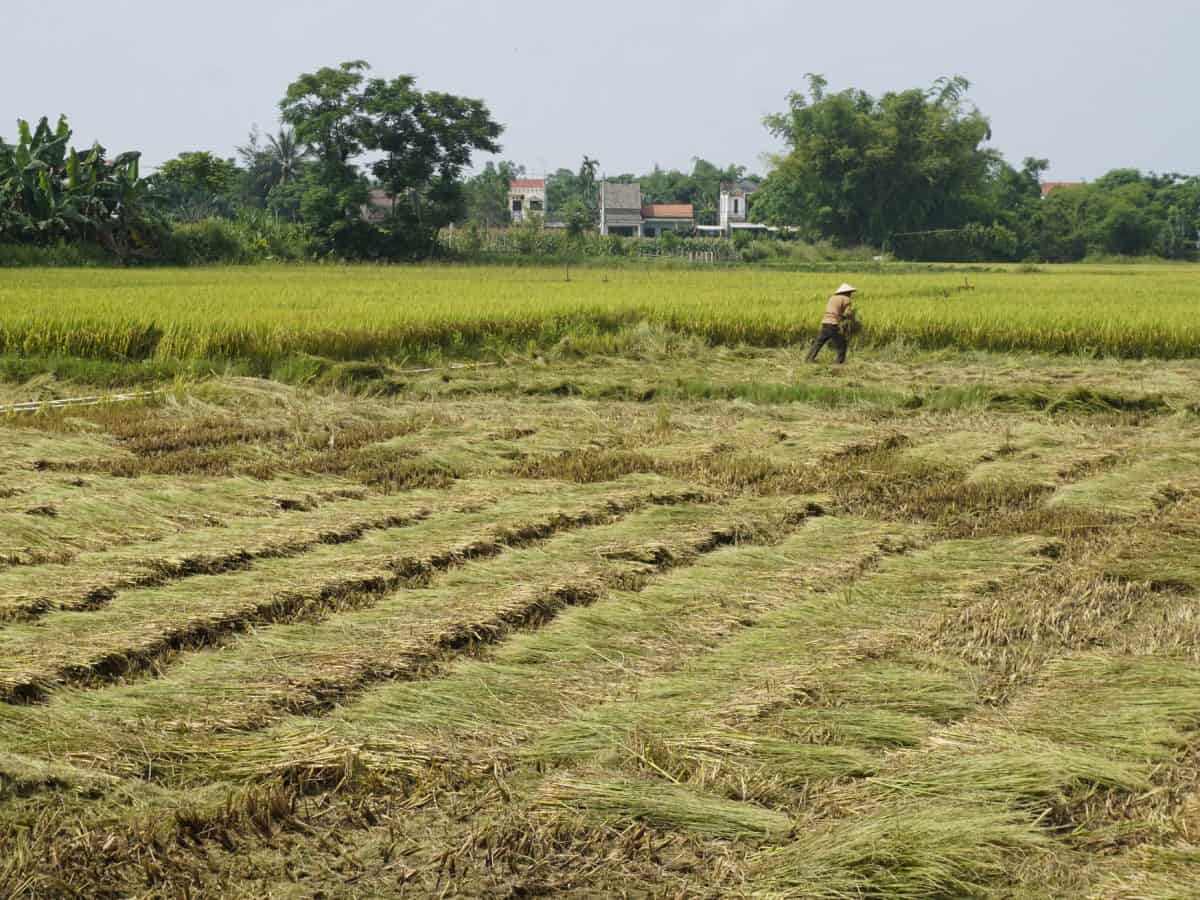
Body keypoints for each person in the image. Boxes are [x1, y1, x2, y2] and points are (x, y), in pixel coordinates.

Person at [806, 283, 857, 364]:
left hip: (825, 322)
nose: (851, 294)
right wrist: (851, 319)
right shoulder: (846, 299)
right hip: (834, 324)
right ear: (846, 292)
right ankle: (839, 362)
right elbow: (847, 313)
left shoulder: (832, 297)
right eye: (850, 292)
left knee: (819, 342)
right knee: (842, 343)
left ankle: (809, 359)